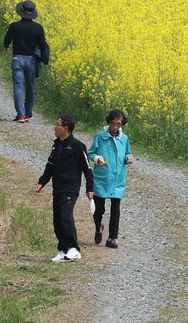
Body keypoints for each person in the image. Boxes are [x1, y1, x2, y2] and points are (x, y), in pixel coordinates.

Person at [35, 115, 95, 263]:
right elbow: (50, 166)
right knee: (57, 220)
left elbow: (87, 168)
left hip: (71, 187)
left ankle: (74, 249)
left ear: (65, 128)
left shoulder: (77, 146)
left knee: (65, 217)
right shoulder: (56, 145)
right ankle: (63, 250)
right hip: (58, 187)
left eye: (57, 125)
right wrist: (42, 182)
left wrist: (90, 187)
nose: (55, 128)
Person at [88, 110, 134, 249]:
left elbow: (127, 153)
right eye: (113, 123)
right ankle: (98, 227)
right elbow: (90, 153)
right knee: (98, 209)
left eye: (118, 124)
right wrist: (97, 159)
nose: (115, 127)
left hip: (117, 179)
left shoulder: (124, 139)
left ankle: (112, 238)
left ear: (122, 124)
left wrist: (128, 158)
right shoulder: (100, 136)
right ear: (109, 122)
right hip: (102, 178)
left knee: (115, 209)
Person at [4, 0, 48, 123]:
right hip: (31, 61)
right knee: (30, 86)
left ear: (21, 12)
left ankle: (20, 115)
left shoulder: (14, 26)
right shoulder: (38, 28)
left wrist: (6, 47)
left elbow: (7, 40)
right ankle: (28, 113)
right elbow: (43, 44)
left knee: (18, 87)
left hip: (17, 59)